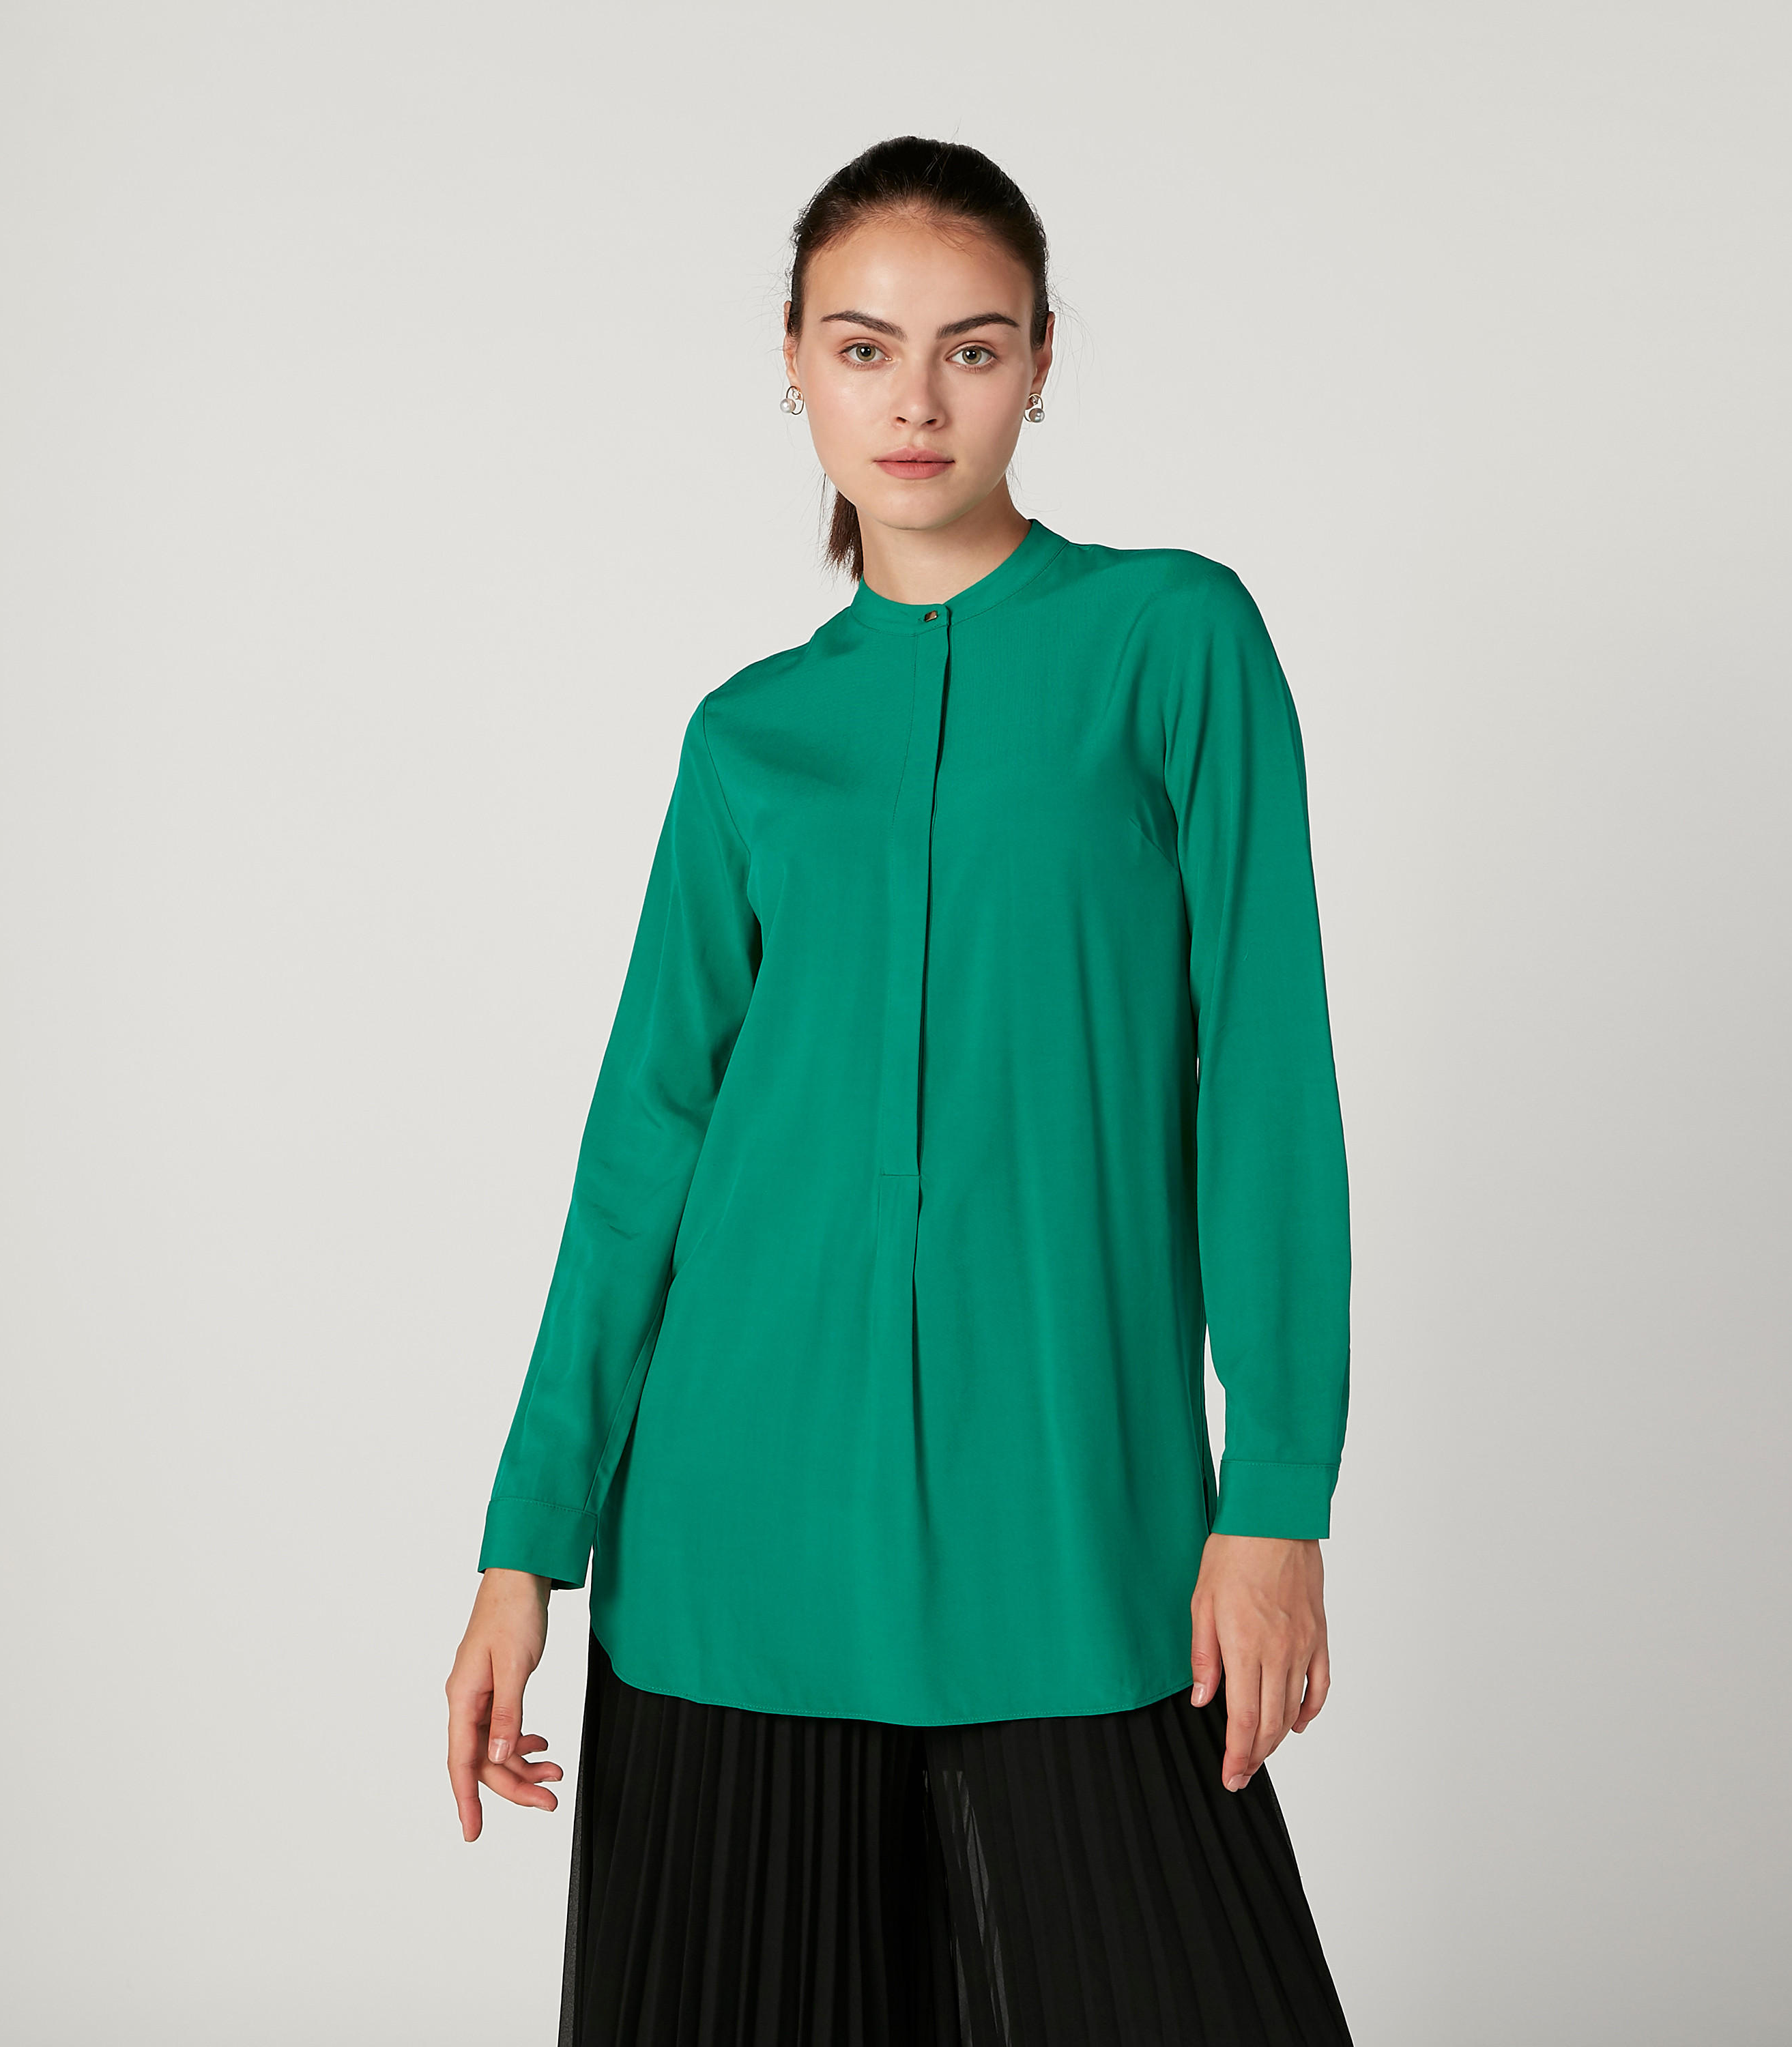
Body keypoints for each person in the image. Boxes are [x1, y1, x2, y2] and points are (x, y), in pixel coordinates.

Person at [446, 134, 1355, 2047]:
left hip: (1079, 1523)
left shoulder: (1172, 642)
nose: (916, 401)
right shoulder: (749, 737)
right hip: (732, 1550)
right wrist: (527, 1545)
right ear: (794, 365)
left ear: (1041, 364)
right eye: (864, 348)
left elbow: (1266, 1073)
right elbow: (645, 1151)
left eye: (972, 348)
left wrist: (1277, 1492)